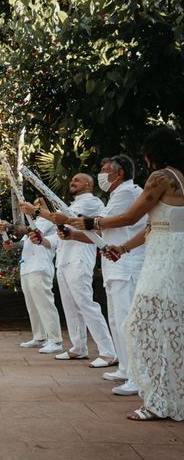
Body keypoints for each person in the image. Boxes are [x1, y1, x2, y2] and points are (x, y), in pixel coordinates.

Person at [71, 127, 184, 421]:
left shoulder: (161, 178)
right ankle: (172, 395)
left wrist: (91, 223)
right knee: (170, 327)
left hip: (165, 261)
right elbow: (154, 226)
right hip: (169, 254)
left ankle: (157, 400)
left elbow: (132, 217)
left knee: (139, 326)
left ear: (151, 155)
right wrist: (122, 248)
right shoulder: (180, 179)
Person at [61, 156, 146, 396]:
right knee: (116, 319)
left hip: (126, 265)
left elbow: (100, 225)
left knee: (125, 320)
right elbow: (101, 233)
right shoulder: (116, 195)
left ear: (118, 174)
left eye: (104, 170)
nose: (101, 174)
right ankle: (125, 367)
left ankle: (135, 377)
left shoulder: (127, 193)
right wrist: (73, 234)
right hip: (115, 265)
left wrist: (70, 222)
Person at [21, 173, 117, 368]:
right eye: (72, 180)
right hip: (63, 260)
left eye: (77, 180)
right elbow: (61, 233)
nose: (72, 182)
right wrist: (44, 241)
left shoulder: (92, 202)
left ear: (89, 184)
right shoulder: (72, 205)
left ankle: (108, 352)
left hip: (80, 260)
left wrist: (37, 211)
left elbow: (70, 221)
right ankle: (78, 347)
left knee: (85, 304)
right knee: (71, 307)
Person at [0, 199, 63, 354]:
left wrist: (10, 226)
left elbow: (30, 231)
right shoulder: (36, 221)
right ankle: (39, 337)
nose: (37, 206)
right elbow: (24, 242)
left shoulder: (53, 218)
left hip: (40, 266)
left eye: (40, 204)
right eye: (36, 204)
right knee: (32, 304)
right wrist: (11, 245)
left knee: (45, 303)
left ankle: (55, 340)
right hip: (27, 266)